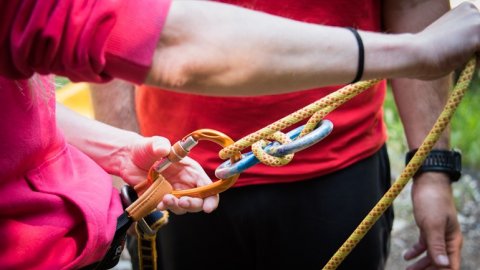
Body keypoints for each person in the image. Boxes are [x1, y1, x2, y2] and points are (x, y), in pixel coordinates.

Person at [0, 0, 478, 269]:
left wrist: (432, 168)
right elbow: (137, 32)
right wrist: (418, 52)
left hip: (335, 167)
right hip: (183, 187)